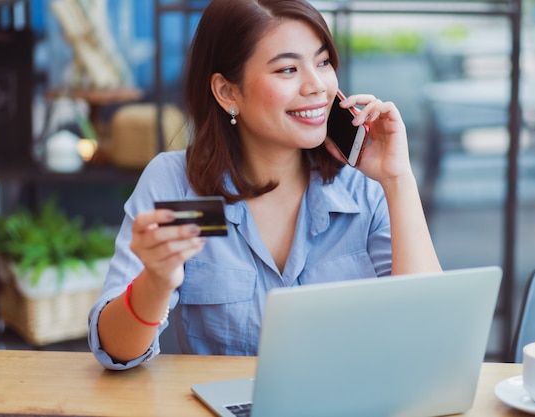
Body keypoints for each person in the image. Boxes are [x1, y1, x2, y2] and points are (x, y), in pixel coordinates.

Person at [88, 0, 441, 370]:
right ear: (227, 92)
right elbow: (115, 351)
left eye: (322, 63)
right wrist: (156, 282)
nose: (317, 85)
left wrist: (397, 179)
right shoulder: (178, 185)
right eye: (288, 69)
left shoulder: (363, 186)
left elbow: (430, 338)